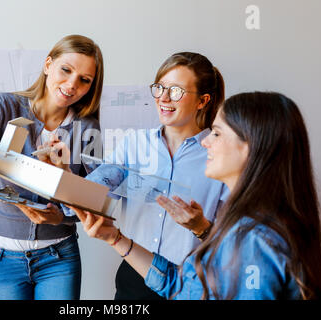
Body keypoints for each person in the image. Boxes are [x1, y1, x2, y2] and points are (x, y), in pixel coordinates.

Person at [72, 91, 321, 299]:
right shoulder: (244, 227)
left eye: (217, 133)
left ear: (250, 147)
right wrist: (114, 237)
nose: (205, 142)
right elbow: (182, 288)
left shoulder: (255, 240)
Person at [43, 52, 229, 299]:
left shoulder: (222, 154)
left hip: (191, 285)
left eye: (175, 91)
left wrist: (200, 226)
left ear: (202, 101)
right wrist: (62, 173)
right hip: (133, 276)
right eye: (159, 87)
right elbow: (92, 195)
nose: (163, 98)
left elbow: (234, 240)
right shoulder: (134, 144)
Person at [0, 34, 104, 300]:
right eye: (66, 70)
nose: (71, 85)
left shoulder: (87, 128)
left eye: (84, 80)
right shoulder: (3, 107)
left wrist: (62, 217)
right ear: (48, 65)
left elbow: (95, 201)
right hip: (0, 258)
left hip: (58, 256)